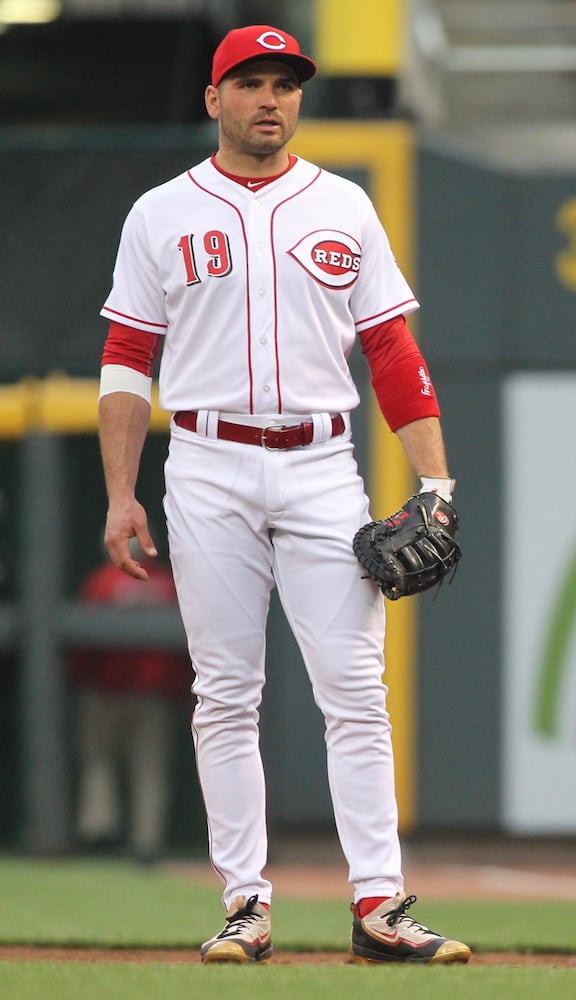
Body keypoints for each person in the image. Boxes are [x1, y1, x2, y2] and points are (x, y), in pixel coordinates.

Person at [97, 24, 470, 966]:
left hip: (318, 463)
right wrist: (120, 493)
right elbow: (127, 358)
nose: (272, 98)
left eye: (286, 83)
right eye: (251, 82)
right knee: (227, 691)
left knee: (353, 689)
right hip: (207, 461)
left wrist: (437, 479)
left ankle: (380, 903)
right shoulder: (160, 213)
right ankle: (245, 903)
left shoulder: (343, 204)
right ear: (214, 99)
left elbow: (392, 349)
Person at [66, 544, 191, 864]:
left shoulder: (103, 580)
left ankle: (99, 831)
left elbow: (83, 644)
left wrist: (80, 678)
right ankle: (145, 842)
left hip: (110, 690)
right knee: (146, 769)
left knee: (101, 761)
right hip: (150, 694)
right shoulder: (166, 582)